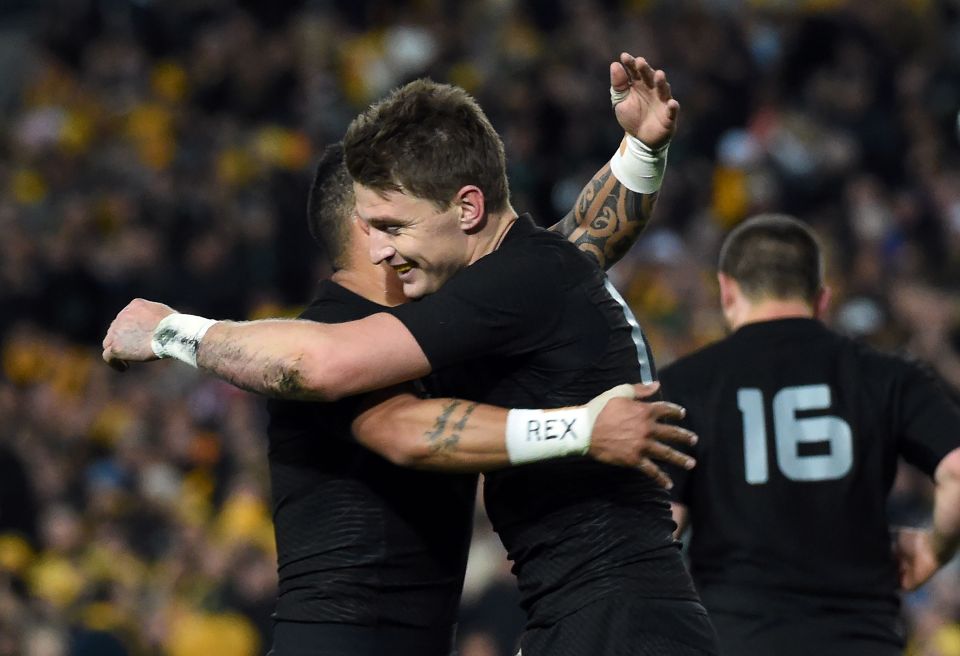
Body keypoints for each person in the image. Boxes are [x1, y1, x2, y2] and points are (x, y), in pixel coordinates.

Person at [103, 53, 720, 655]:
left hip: (608, 614)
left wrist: (168, 330)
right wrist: (640, 154)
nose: (382, 250)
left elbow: (319, 366)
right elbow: (585, 239)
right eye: (373, 228)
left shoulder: (509, 284)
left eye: (394, 227)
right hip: (564, 613)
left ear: (467, 208)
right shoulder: (510, 280)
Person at [658, 214, 960, 656]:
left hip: (738, 639)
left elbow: (658, 530)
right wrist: (934, 550)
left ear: (727, 291)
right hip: (860, 641)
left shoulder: (686, 385)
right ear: (821, 298)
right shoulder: (886, 376)